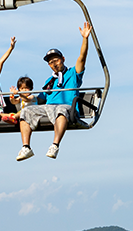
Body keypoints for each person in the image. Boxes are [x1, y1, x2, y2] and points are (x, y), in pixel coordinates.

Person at [16, 22, 91, 162]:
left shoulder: (73, 74)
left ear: (62, 59)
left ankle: (55, 145)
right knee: (27, 112)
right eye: (51, 62)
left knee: (60, 110)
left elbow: (82, 58)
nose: (54, 64)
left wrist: (85, 39)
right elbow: (39, 99)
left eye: (56, 60)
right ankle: (26, 147)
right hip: (48, 108)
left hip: (66, 108)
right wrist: (22, 97)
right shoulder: (49, 81)